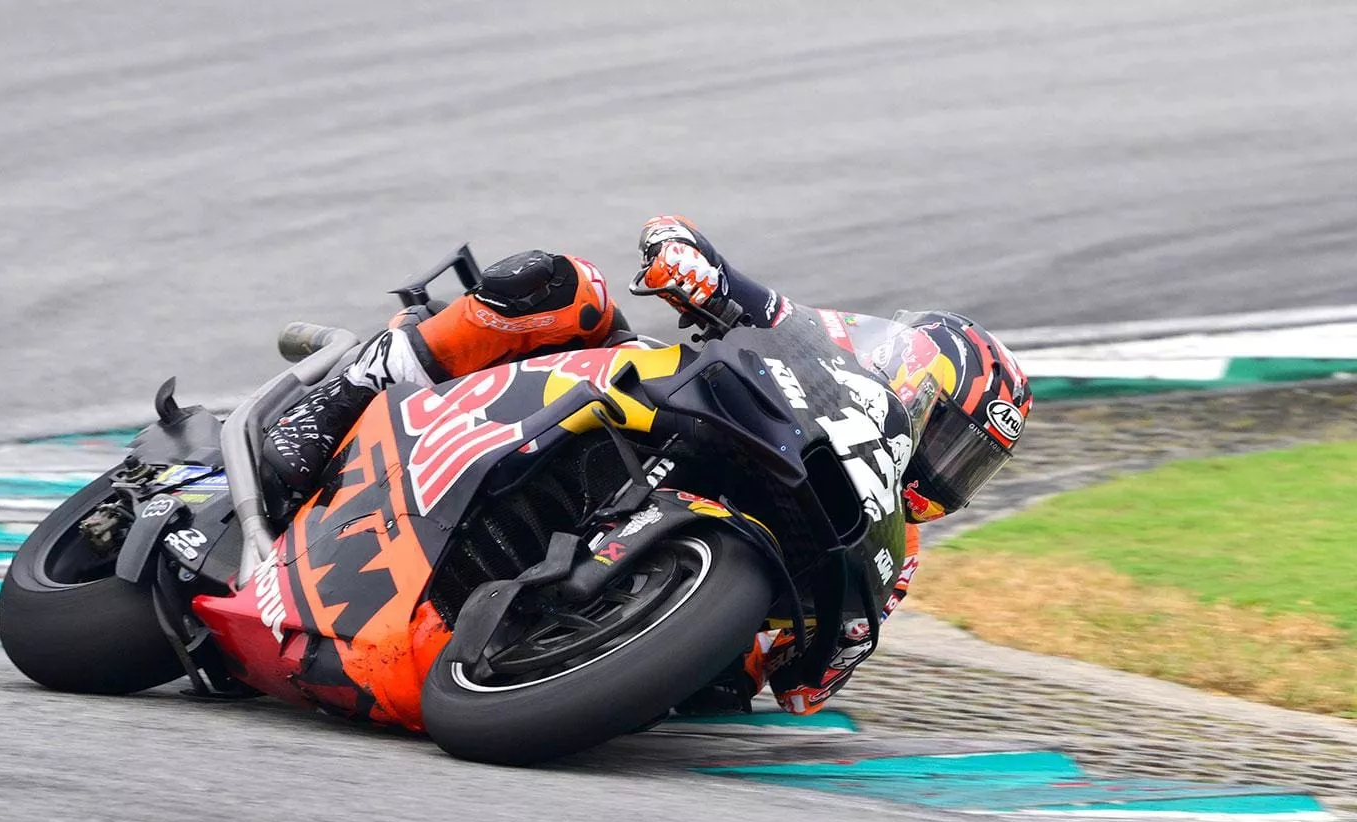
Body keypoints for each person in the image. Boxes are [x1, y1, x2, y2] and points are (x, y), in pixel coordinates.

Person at [262, 216, 1032, 714]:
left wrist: (801, 642)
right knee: (567, 284)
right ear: (909, 381)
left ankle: (549, 632)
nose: (942, 471)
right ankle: (343, 395)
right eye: (948, 438)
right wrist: (689, 263)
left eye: (969, 466)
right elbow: (702, 257)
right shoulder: (823, 350)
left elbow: (808, 689)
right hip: (646, 401)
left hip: (606, 644)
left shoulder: (892, 556)